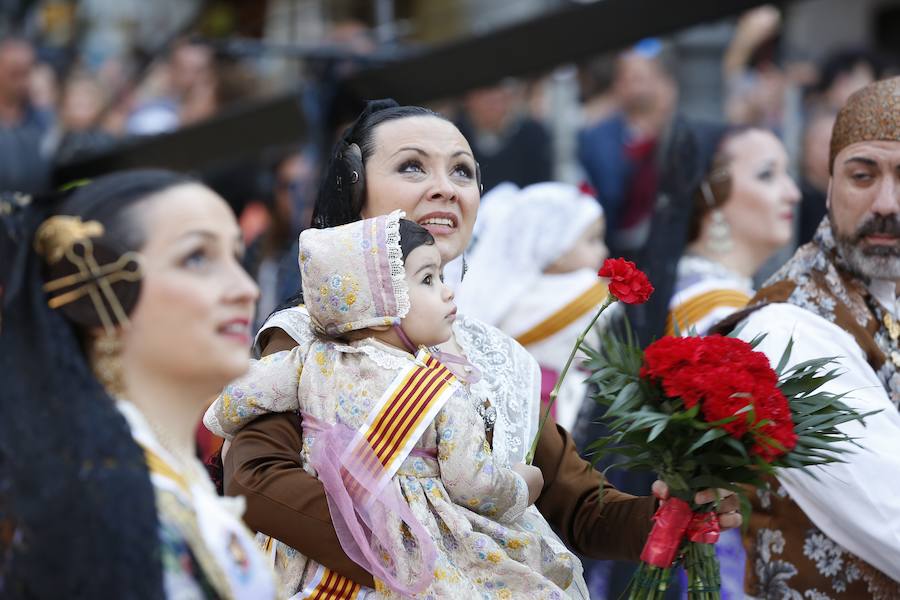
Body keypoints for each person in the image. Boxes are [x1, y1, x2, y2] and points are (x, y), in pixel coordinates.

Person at [215, 99, 742, 596]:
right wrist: (422, 557)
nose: (446, 188)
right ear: (355, 192)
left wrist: (672, 518)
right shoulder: (305, 334)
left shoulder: (499, 357)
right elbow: (255, 480)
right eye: (413, 167)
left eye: (462, 171)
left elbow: (578, 504)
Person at [208, 211, 578, 597]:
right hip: (415, 546)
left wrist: (221, 424)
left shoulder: (309, 360)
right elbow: (474, 484)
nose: (447, 292)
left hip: (321, 555)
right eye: (429, 279)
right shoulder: (439, 388)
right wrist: (520, 486)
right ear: (380, 301)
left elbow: (235, 399)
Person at [0, 170, 276, 598]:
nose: (245, 289)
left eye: (237, 257)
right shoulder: (95, 506)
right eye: (197, 258)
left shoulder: (164, 478)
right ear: (100, 293)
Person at [716, 77, 900, 598]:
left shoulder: (887, 292)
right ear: (831, 182)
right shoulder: (788, 333)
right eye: (863, 176)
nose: (885, 202)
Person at [455, 182, 610, 434]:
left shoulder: (496, 289)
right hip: (558, 409)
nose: (603, 250)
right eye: (592, 240)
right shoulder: (587, 292)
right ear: (554, 245)